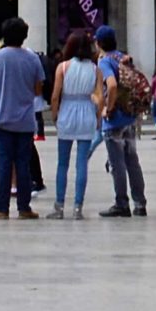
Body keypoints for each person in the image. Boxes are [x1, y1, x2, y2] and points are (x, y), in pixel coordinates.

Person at [0, 16, 47, 219]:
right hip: (26, 120)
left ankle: (2, 208)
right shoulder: (33, 58)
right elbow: (38, 89)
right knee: (23, 164)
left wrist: (1, 90)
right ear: (24, 36)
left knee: (3, 164)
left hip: (2, 118)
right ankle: (24, 207)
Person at [45, 30, 108, 220]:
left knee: (62, 163)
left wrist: (55, 115)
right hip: (86, 111)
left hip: (67, 110)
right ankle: (78, 207)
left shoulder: (63, 67)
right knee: (82, 163)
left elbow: (55, 95)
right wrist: (98, 118)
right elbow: (99, 96)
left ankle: (59, 206)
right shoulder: (95, 69)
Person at [94, 26, 149, 218]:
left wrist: (108, 108)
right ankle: (140, 203)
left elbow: (112, 85)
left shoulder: (105, 61)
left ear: (98, 43)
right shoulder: (123, 57)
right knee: (132, 162)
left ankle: (121, 203)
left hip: (115, 119)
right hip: (129, 117)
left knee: (117, 164)